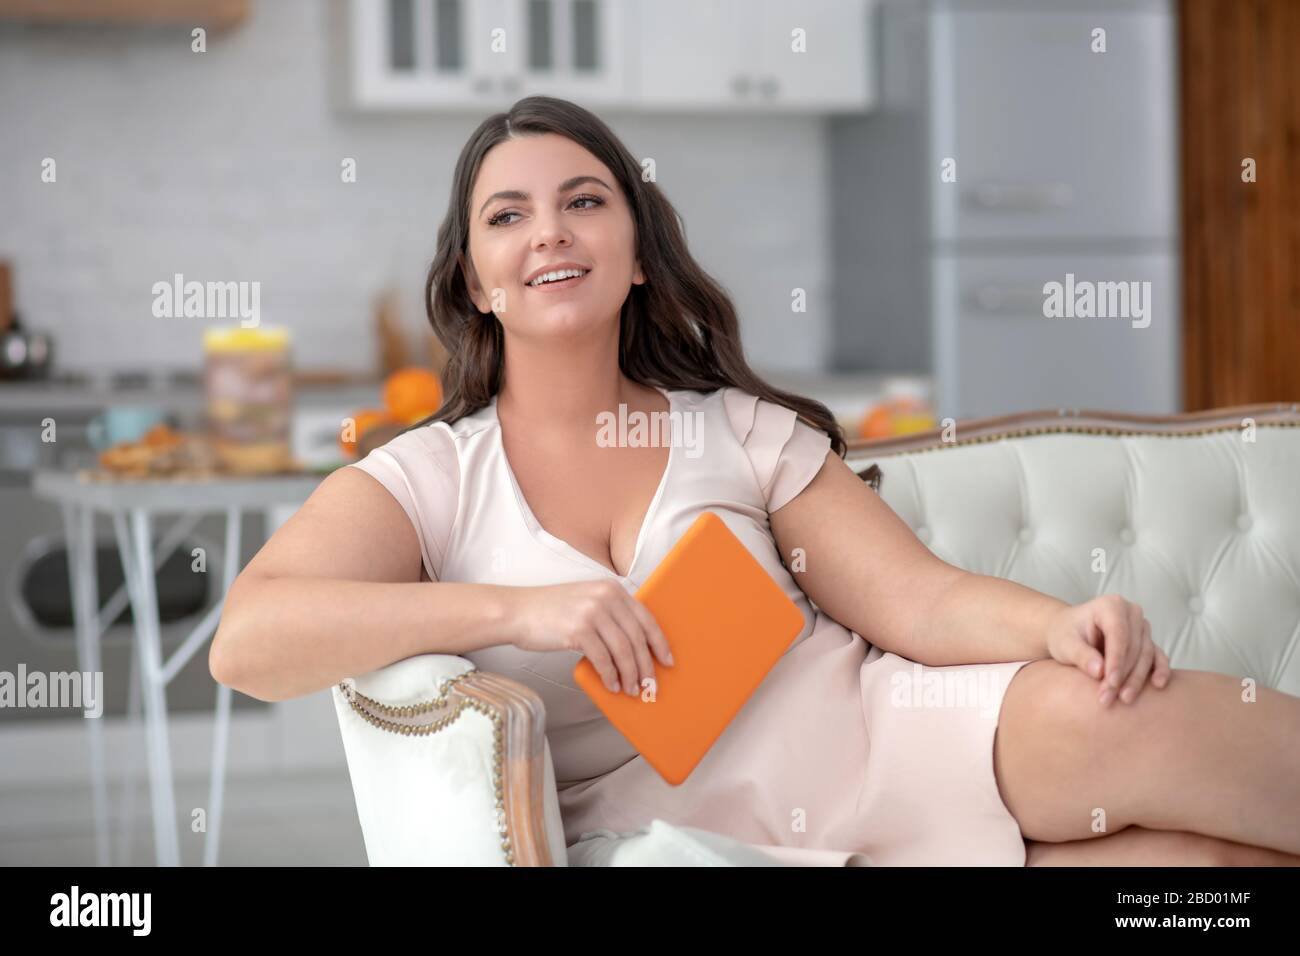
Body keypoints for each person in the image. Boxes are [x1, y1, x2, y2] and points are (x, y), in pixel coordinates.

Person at [211, 96, 1300, 866]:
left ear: (637, 253)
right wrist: (520, 609)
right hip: (704, 840)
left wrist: (1058, 622)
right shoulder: (429, 478)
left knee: (1141, 740)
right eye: (507, 214)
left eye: (584, 200)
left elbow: (917, 600)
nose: (548, 229)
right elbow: (248, 641)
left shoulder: (737, 430)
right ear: (474, 280)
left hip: (892, 744)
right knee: (1190, 866)